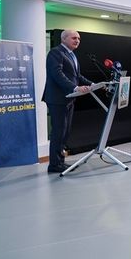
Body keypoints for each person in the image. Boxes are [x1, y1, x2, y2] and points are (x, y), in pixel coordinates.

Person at [42, 30, 93, 173]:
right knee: (58, 132)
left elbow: (77, 76)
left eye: (79, 39)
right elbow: (57, 74)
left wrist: (92, 84)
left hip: (69, 99)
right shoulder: (55, 53)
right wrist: (75, 87)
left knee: (65, 132)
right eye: (74, 38)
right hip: (58, 99)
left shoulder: (72, 55)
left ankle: (60, 162)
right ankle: (54, 165)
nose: (77, 41)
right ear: (63, 39)